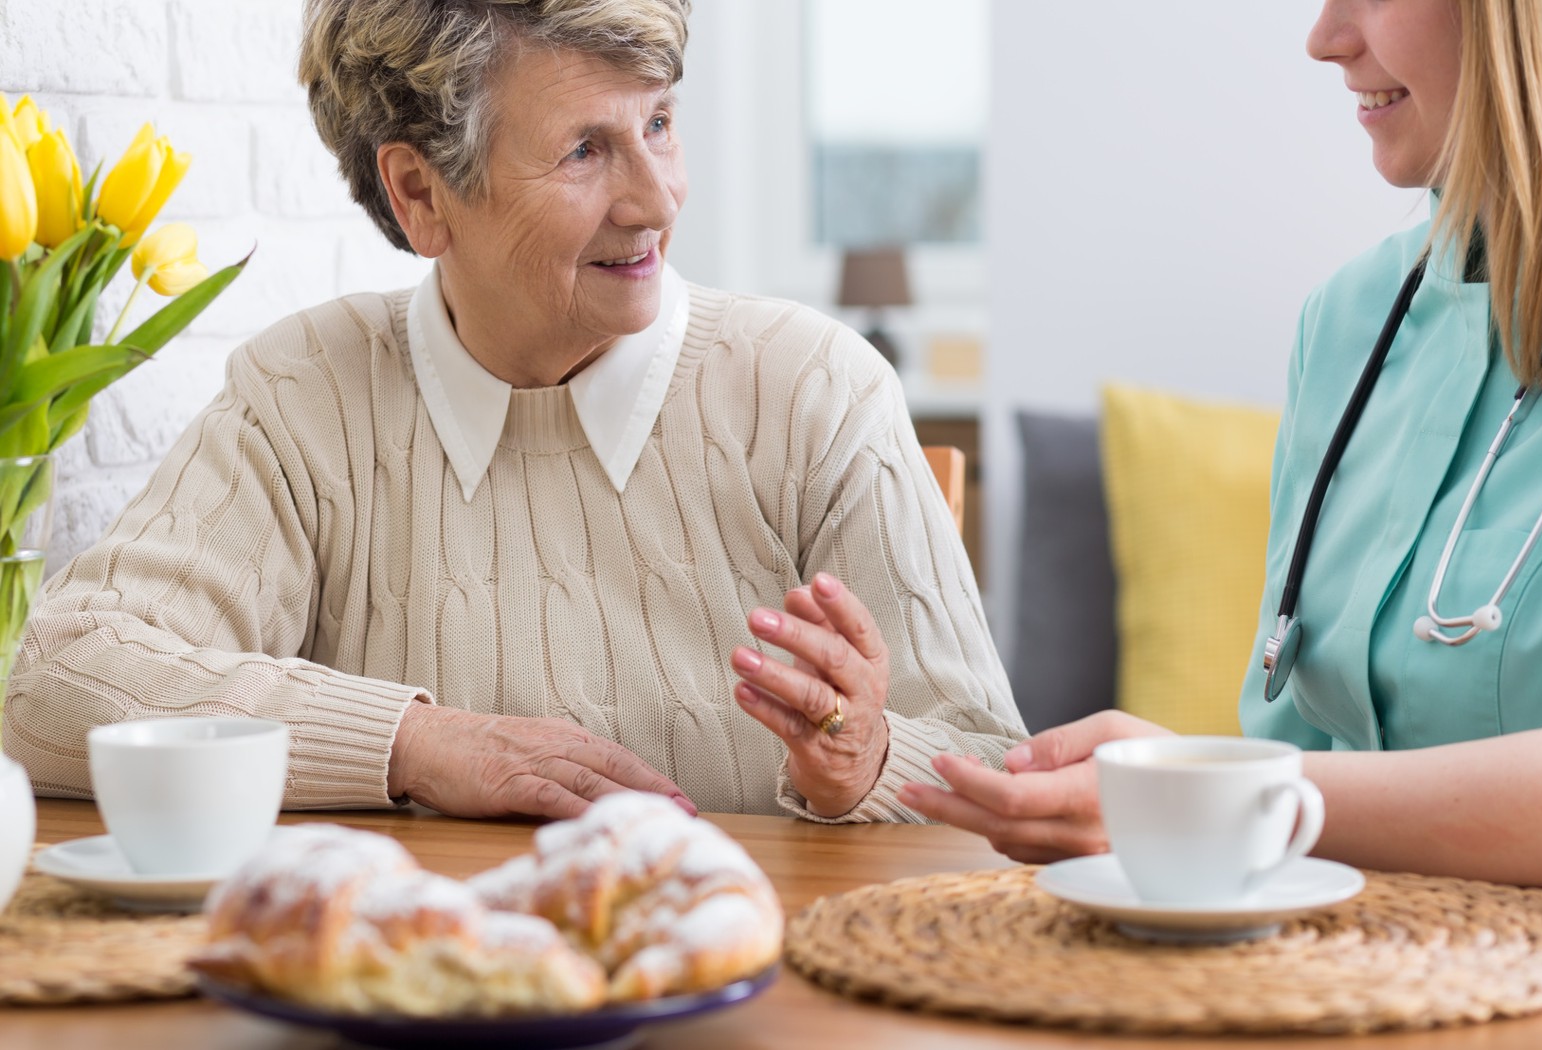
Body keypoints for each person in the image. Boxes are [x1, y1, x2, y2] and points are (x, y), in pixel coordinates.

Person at [2, 0, 1024, 822]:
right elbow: (47, 679)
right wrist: (415, 743)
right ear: (420, 196)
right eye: (585, 150)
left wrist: (865, 764)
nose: (657, 199)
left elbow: (994, 764)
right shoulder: (306, 393)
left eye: (658, 124)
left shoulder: (817, 391)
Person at [903, 0, 1542, 887]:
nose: (1326, 39)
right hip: (1329, 973)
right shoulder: (1347, 323)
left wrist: (1229, 796)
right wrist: (1180, 786)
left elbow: (1281, 790)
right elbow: (1296, 748)